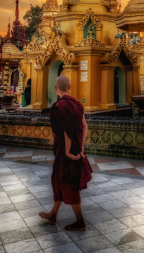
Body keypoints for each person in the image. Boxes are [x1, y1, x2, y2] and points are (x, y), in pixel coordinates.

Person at [39, 76, 91, 231]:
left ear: (56, 89)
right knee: (60, 182)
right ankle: (53, 215)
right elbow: (84, 127)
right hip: (76, 150)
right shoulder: (77, 104)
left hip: (66, 153)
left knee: (69, 184)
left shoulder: (58, 107)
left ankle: (80, 222)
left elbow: (66, 130)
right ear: (70, 86)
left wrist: (68, 151)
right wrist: (81, 148)